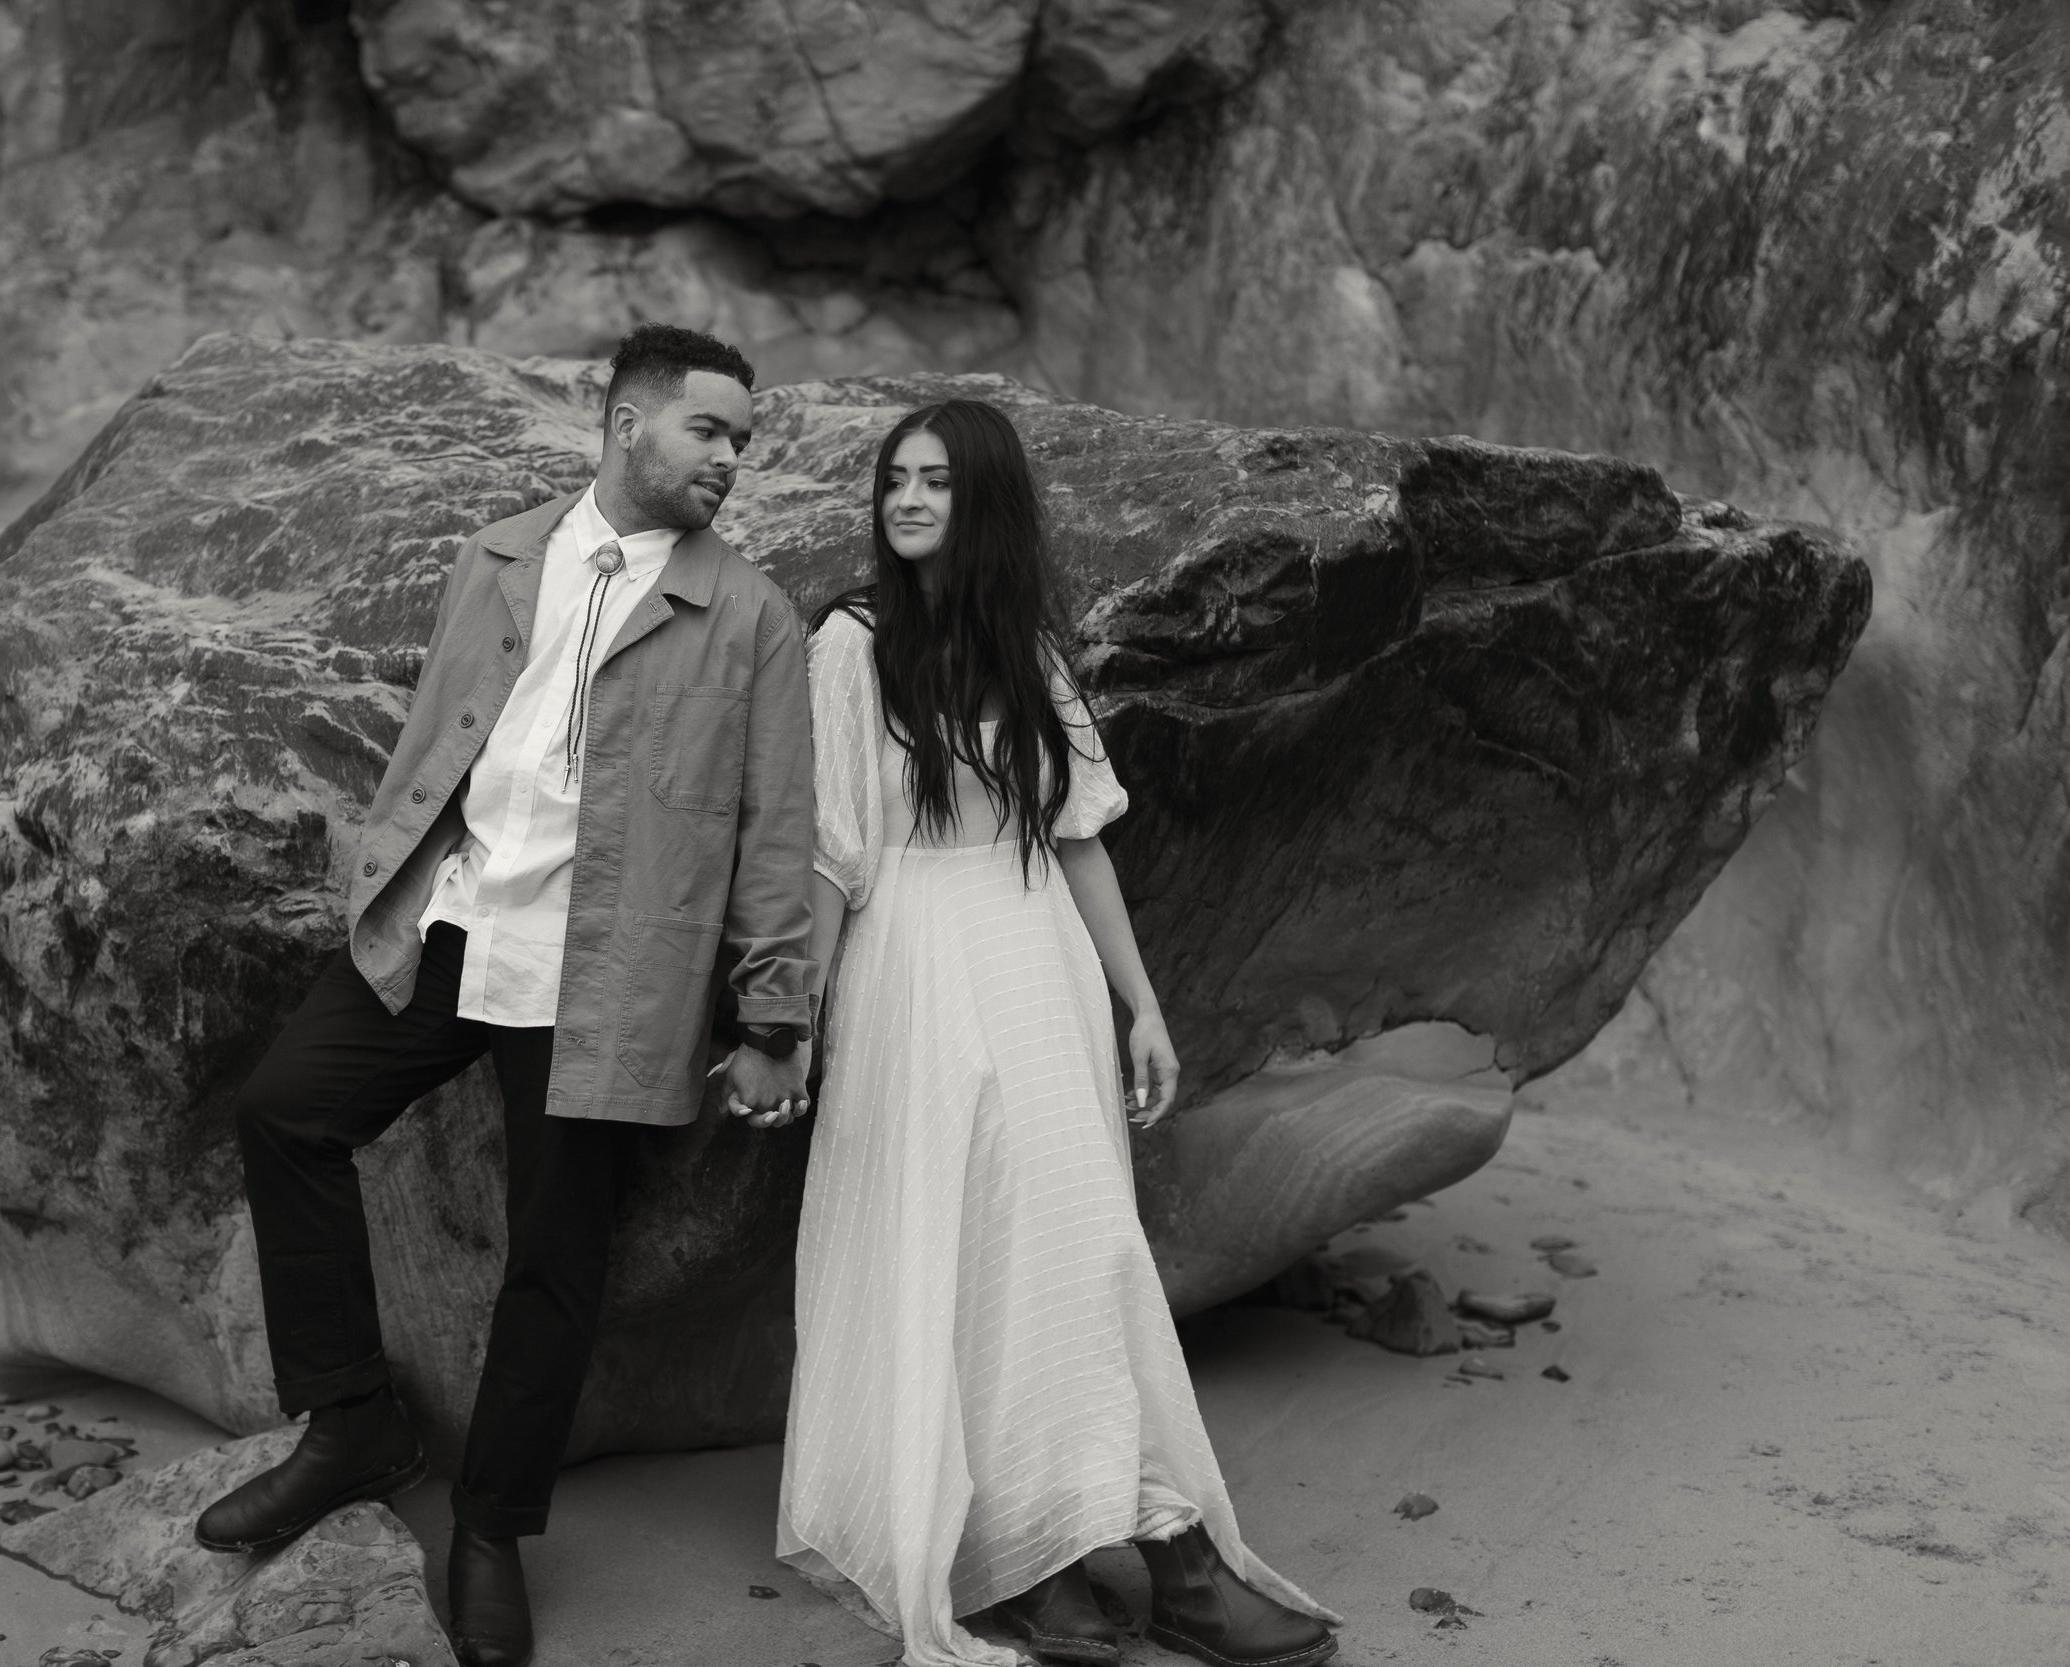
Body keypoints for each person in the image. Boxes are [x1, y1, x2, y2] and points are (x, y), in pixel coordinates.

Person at [194, 322, 818, 1667]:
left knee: (556, 1262)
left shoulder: (753, 615)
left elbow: (778, 833)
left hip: (608, 976)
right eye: (709, 430)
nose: (731, 460)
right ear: (624, 420)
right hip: (449, 929)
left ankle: (491, 1529)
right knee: (287, 1109)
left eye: (743, 443)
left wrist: (774, 1016)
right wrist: (384, 864)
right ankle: (354, 1416)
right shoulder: (496, 556)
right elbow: (444, 735)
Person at [768, 399, 1344, 1667]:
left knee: (1081, 1241)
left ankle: (1155, 1544)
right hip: (917, 966)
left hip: (1038, 962)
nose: (907, 501)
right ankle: (1026, 1552)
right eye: (894, 482)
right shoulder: (850, 646)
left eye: (935, 483)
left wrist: (1138, 998)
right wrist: (795, 1018)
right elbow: (833, 851)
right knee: (965, 1246)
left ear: (985, 504)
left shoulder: (1025, 646)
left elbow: (1074, 828)